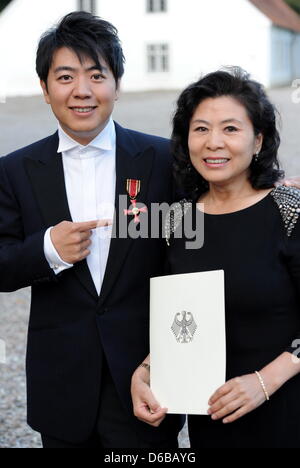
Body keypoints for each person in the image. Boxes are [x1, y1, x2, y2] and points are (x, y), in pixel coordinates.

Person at [0, 11, 183, 448]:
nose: (82, 91)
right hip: (62, 384)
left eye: (96, 75)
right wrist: (48, 249)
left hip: (147, 378)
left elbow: (195, 253)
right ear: (44, 89)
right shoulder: (15, 170)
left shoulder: (165, 160)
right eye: (65, 77)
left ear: (117, 84)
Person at [131, 67, 300, 448]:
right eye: (201, 129)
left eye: (230, 129)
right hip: (211, 419)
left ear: (258, 141)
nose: (213, 142)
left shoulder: (290, 211)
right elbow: (179, 317)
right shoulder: (176, 221)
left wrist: (264, 381)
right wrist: (145, 371)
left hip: (285, 413)